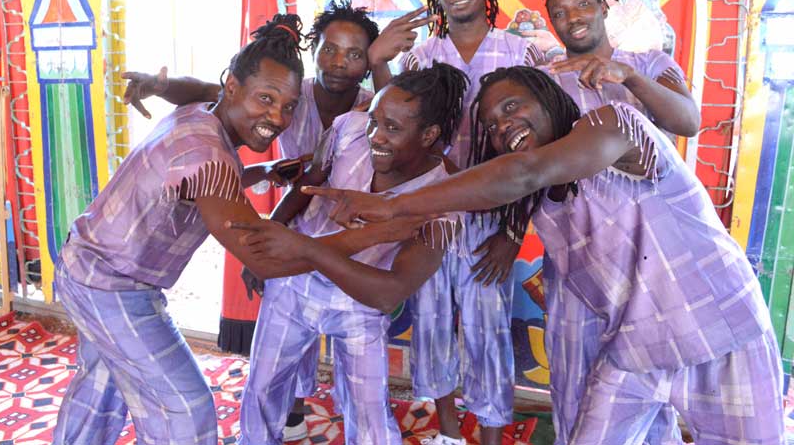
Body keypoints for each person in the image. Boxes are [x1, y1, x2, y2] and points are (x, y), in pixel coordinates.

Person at [305, 65, 784, 445]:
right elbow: (496, 187)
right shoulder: (542, 202)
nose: (503, 126)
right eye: (492, 125)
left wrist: (392, 204)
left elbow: (524, 171)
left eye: (513, 106)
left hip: (719, 332)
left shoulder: (616, 124)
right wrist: (320, 244)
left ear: (549, 97)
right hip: (635, 351)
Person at [122, 0, 381, 441]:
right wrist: (160, 86)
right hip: (291, 229)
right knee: (280, 350)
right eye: (330, 49)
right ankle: (289, 414)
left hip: (347, 243)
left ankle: (325, 413)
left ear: (368, 62)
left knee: (353, 364)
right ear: (314, 50)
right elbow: (211, 91)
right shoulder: (293, 94)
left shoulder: (371, 108)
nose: (340, 62)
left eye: (355, 54)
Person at [366, 0, 559, 445]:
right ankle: (449, 432)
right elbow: (395, 125)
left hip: (493, 220)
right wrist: (379, 61)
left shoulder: (520, 52)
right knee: (431, 327)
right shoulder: (423, 56)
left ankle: (491, 436)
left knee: (487, 334)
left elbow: (538, 152)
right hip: (432, 216)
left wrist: (512, 235)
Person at [235, 63, 468, 445]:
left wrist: (301, 249)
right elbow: (307, 184)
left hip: (360, 304)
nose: (375, 135)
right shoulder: (347, 129)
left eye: (392, 128)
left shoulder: (444, 199)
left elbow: (389, 293)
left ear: (429, 135)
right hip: (293, 285)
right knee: (263, 386)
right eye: (374, 120)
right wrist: (267, 244)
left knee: (368, 410)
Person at [536, 0, 701, 445]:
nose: (572, 18)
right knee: (574, 382)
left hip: (651, 260)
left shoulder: (649, 63)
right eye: (559, 12)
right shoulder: (547, 81)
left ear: (604, 7)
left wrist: (628, 78)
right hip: (578, 258)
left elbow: (687, 120)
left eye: (582, 4)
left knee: (649, 385)